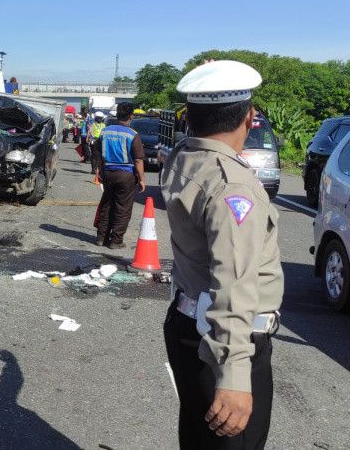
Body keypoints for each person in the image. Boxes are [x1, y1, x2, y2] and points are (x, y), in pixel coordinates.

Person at [161, 60, 283, 449]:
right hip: (222, 342)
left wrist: (205, 86)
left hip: (187, 323)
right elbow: (233, 282)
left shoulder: (183, 159)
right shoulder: (233, 186)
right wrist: (233, 377)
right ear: (250, 118)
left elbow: (194, 134)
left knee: (198, 440)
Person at [93, 103, 144, 248]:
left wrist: (99, 170)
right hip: (126, 175)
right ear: (131, 116)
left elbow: (97, 152)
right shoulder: (133, 134)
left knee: (107, 204)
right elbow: (138, 159)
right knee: (122, 208)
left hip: (108, 172)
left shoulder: (105, 131)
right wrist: (142, 179)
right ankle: (116, 241)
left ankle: (101, 238)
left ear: (117, 115)